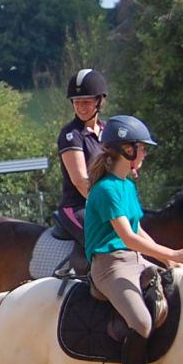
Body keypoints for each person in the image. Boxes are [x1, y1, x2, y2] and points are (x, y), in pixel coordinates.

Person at [83, 116, 183, 364]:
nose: (145, 154)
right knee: (141, 322)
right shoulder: (107, 189)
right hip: (109, 266)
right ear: (126, 150)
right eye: (142, 148)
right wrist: (172, 253)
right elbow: (127, 237)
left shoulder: (126, 186)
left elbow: (138, 230)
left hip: (134, 260)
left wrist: (164, 259)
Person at [55, 68, 109, 238]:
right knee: (105, 238)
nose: (80, 107)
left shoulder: (108, 131)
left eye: (86, 102)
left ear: (99, 101)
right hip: (78, 207)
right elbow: (80, 181)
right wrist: (109, 209)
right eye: (76, 102)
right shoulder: (71, 134)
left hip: (106, 202)